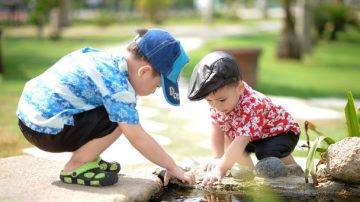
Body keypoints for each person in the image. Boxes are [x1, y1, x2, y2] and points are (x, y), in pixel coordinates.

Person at [17, 28, 195, 187]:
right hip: (45, 131)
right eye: (157, 87)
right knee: (121, 120)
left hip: (29, 119)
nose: (154, 92)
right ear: (145, 72)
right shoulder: (118, 87)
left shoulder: (106, 61)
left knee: (115, 112)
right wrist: (172, 167)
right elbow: (137, 137)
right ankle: (76, 165)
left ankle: (89, 157)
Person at [187, 51, 301, 186]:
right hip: (254, 136)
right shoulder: (218, 103)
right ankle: (249, 174)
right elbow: (216, 127)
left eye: (221, 100)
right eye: (209, 101)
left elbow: (241, 140)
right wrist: (218, 157)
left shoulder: (253, 104)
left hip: (281, 133)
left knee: (265, 151)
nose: (216, 106)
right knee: (230, 143)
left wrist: (220, 169)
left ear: (240, 88)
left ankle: (293, 170)